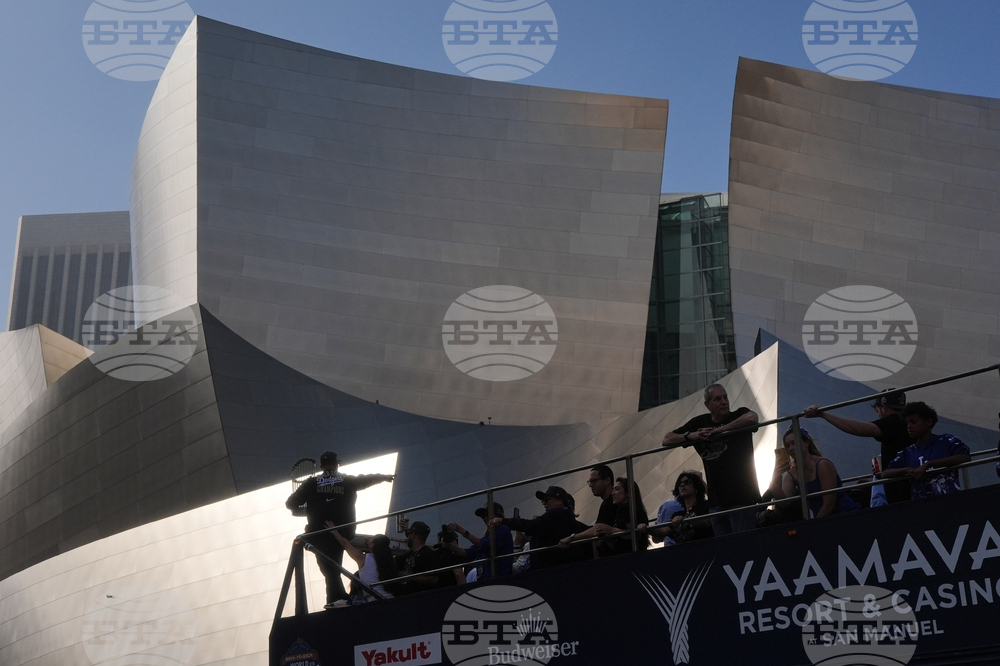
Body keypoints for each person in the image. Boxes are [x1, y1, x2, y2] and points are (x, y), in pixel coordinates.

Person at [285, 452, 394, 607]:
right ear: (337, 465)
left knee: (329, 568)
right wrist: (383, 477)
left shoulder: (311, 483)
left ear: (322, 467)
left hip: (319, 533)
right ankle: (339, 597)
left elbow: (290, 504)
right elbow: (365, 479)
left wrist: (309, 509)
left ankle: (337, 599)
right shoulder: (347, 480)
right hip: (344, 531)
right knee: (331, 567)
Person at [661, 384, 761, 535]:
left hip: (741, 497)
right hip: (716, 502)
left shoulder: (738, 415)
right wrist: (691, 436)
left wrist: (718, 431)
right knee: (724, 550)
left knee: (744, 546)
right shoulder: (699, 424)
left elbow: (752, 418)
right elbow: (667, 439)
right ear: (707, 404)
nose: (724, 402)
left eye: (725, 397)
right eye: (717, 399)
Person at [804, 389, 913, 505]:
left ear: (884, 408)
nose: (878, 415)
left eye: (878, 411)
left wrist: (823, 414)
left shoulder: (892, 422)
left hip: (902, 492)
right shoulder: (910, 423)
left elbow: (859, 429)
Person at [881, 402, 971, 500]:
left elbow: (965, 457)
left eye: (913, 422)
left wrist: (929, 465)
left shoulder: (947, 441)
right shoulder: (908, 452)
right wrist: (906, 470)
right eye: (907, 423)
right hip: (921, 507)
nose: (909, 426)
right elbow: (885, 473)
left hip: (950, 501)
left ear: (929, 422)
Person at [768, 427, 859, 519]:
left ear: (807, 443)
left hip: (846, 514)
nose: (791, 448)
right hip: (822, 520)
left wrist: (814, 526)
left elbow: (829, 504)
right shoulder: (791, 474)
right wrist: (775, 478)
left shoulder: (822, 464)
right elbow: (784, 503)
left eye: (794, 443)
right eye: (787, 446)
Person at [489, 486, 588, 570]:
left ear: (559, 501)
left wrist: (503, 521)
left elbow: (533, 526)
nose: (544, 503)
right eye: (543, 501)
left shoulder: (557, 513)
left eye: (547, 499)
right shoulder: (569, 519)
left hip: (551, 572)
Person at [561, 477, 649, 554]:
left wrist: (610, 530)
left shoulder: (626, 509)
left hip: (631, 558)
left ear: (628, 493)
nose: (613, 493)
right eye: (613, 489)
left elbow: (632, 534)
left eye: (617, 489)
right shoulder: (633, 509)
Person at [326, 524, 399, 602]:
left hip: (375, 601)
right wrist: (370, 544)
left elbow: (345, 543)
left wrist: (334, 532)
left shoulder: (363, 558)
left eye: (371, 539)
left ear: (372, 545)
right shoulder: (390, 561)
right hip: (391, 599)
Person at [446, 502, 514, 580]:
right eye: (482, 516)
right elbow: (469, 553)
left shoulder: (503, 530)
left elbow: (487, 546)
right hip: (486, 583)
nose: (484, 518)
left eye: (487, 514)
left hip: (500, 581)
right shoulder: (488, 536)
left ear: (497, 515)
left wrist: (461, 530)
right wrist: (450, 547)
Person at [647, 471, 713, 544]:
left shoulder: (705, 506)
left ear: (696, 487)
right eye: (679, 483)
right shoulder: (677, 514)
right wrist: (646, 528)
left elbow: (707, 523)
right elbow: (663, 531)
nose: (682, 485)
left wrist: (686, 519)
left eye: (687, 482)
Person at [396, 521, 443, 595]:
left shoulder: (429, 554)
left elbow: (433, 578)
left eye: (408, 534)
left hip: (419, 598)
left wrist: (409, 577)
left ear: (413, 535)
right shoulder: (410, 554)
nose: (406, 538)